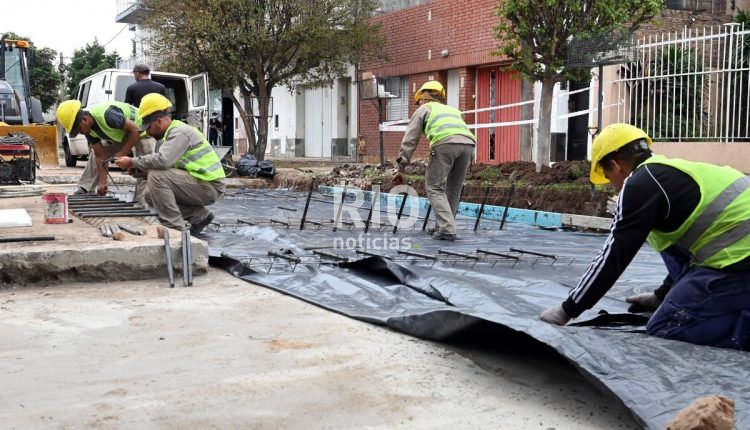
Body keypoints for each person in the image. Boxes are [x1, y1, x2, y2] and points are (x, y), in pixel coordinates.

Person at [540, 123, 750, 351]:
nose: (613, 187)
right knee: (665, 241)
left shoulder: (639, 186)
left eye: (609, 178)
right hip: (737, 250)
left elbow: (613, 257)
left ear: (615, 165)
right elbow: (680, 252)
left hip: (740, 259)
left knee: (665, 327)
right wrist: (661, 296)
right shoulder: (668, 175)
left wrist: (568, 310)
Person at [114, 93, 225, 236]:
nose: (148, 133)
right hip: (201, 184)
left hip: (209, 186)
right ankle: (200, 217)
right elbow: (171, 168)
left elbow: (163, 160)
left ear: (159, 121)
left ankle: (175, 228)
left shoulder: (179, 132)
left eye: (149, 128)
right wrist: (144, 173)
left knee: (156, 176)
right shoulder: (171, 134)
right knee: (149, 194)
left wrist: (132, 161)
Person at [395, 80, 476, 241]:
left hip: (445, 144)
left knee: (434, 186)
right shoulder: (453, 110)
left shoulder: (424, 109)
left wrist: (401, 168)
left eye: (419, 101)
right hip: (468, 146)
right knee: (454, 188)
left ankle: (447, 229)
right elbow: (461, 132)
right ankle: (443, 226)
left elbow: (410, 139)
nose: (420, 103)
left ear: (423, 98)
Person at [56, 100, 152, 200]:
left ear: (85, 119)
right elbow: (100, 155)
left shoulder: (108, 116)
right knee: (95, 155)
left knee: (143, 164)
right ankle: (85, 188)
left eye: (78, 129)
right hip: (125, 133)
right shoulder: (88, 130)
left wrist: (123, 152)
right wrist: (103, 182)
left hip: (143, 130)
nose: (80, 133)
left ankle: (142, 200)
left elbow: (135, 130)